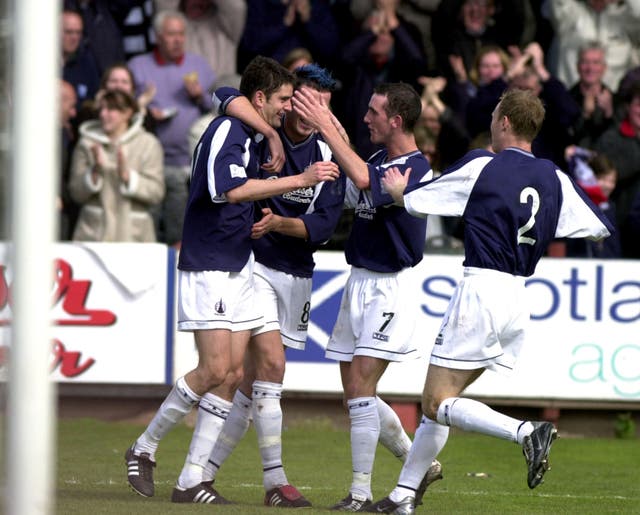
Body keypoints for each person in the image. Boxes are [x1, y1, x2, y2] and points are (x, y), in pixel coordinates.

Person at [365, 88, 613, 514]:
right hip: (518, 294)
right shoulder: (554, 177)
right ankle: (402, 498)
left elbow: (423, 201)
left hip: (481, 289)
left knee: (437, 402)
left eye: (496, 114)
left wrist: (398, 192)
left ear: (506, 123)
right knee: (442, 403)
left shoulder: (484, 163)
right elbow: (597, 226)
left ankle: (526, 432)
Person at [124, 55, 339, 503]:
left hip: (239, 265)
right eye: (281, 101)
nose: (284, 110)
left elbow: (230, 96)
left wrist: (265, 131)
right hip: (211, 264)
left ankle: (191, 481)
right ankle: (144, 446)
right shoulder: (229, 131)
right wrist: (296, 176)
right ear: (260, 99)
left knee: (236, 372)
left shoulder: (251, 129)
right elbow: (230, 189)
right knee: (217, 370)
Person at [293, 82, 442, 511]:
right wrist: (326, 122)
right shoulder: (379, 159)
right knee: (356, 395)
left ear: (396, 120)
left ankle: (359, 494)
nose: (366, 119)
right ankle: (420, 463)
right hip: (358, 280)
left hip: (388, 287)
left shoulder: (416, 169)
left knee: (360, 388)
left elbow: (360, 176)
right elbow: (357, 168)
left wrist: (326, 124)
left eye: (374, 112)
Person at [128, 10, 216, 248]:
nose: (177, 39)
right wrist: (146, 113)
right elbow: (126, 109)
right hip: (147, 164)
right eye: (171, 34)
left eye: (181, 34)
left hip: (186, 165)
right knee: (147, 231)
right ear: (157, 36)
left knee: (179, 232)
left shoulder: (199, 65)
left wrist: (200, 97)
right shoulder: (138, 66)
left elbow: (216, 110)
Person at [68, 90, 165, 242]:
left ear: (127, 113)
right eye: (101, 109)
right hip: (93, 235)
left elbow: (157, 192)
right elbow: (75, 192)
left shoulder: (148, 144)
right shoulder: (86, 143)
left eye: (110, 109)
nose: (103, 114)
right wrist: (94, 173)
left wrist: (128, 178)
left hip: (135, 236)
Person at [544, 0, 640, 92]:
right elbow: (557, 4)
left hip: (616, 101)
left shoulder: (625, 18)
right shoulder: (570, 15)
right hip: (571, 100)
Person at [568, 41, 615, 149]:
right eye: (585, 62)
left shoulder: (615, 99)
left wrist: (609, 113)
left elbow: (617, 142)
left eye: (596, 62)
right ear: (577, 66)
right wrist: (585, 115)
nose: (590, 68)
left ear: (604, 68)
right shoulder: (566, 99)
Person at [61, 9, 101, 117]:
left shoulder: (87, 62)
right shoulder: (39, 62)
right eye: (69, 32)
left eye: (78, 32)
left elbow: (94, 99)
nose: (74, 37)